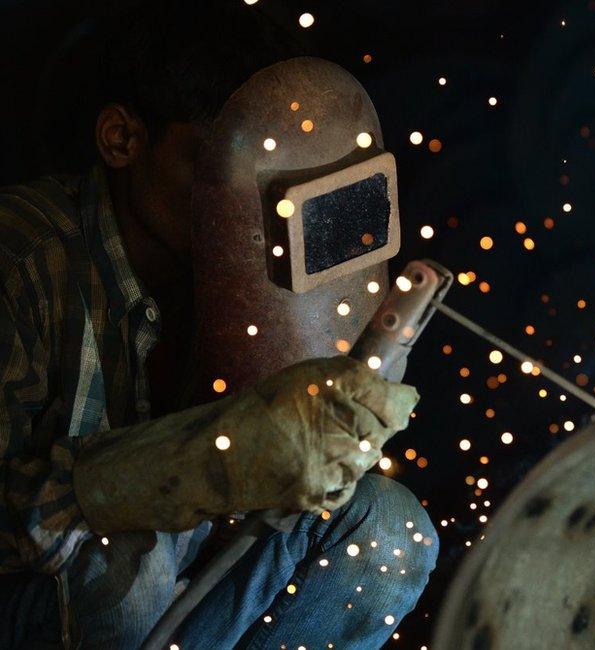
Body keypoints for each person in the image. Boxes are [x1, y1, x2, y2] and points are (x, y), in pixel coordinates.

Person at [0, 2, 438, 648]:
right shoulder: (21, 259)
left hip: (171, 602)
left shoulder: (253, 264)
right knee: (134, 560)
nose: (253, 210)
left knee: (384, 529)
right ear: (122, 138)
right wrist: (199, 461)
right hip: (40, 599)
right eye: (225, 169)